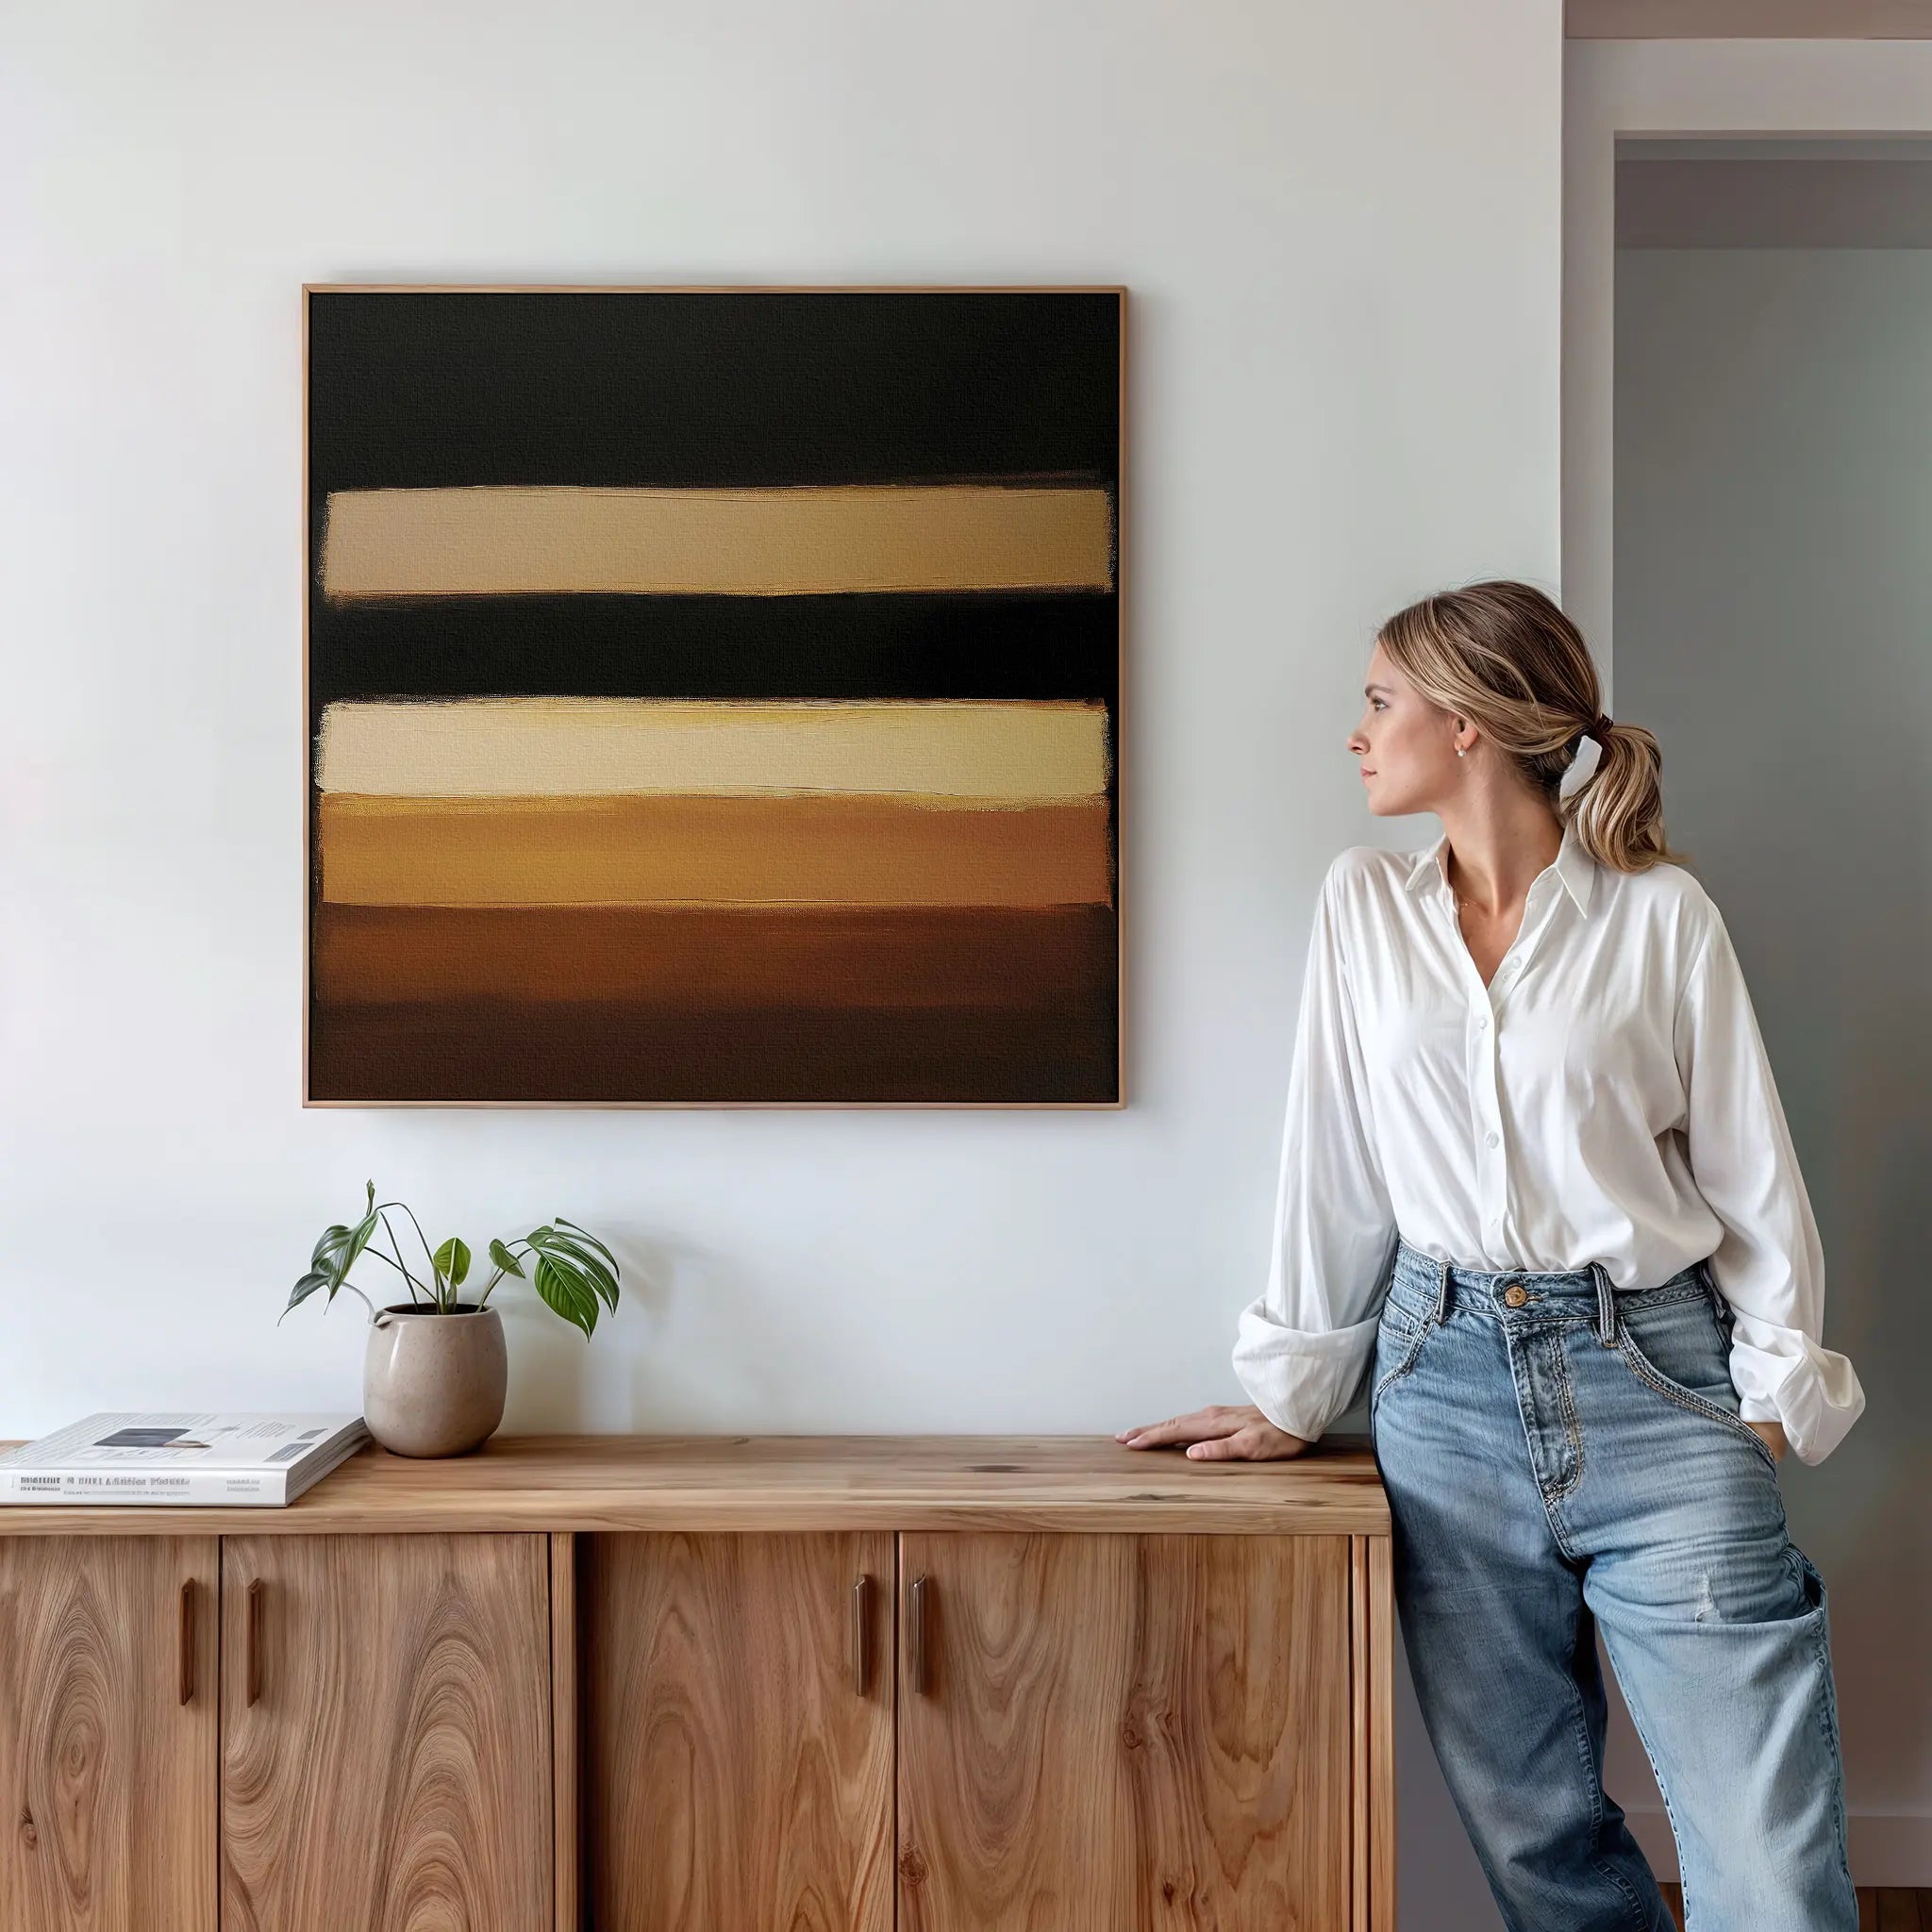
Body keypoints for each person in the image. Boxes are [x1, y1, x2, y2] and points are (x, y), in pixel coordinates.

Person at [1116, 581, 1865, 1932]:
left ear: (1466, 726)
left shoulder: (1660, 917)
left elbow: (1753, 1171)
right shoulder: (1363, 909)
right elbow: (1330, 1162)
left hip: (1659, 1378)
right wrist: (1296, 1391)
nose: (1357, 733)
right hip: (1442, 1390)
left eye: (1379, 701)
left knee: (1766, 1858)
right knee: (1538, 1847)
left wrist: (1768, 1394)